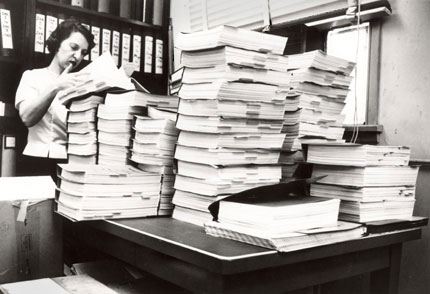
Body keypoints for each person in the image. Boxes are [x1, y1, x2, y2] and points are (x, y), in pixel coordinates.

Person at [15, 19, 95, 179]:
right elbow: (27, 117)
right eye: (74, 47)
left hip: (71, 163)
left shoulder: (80, 84)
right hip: (34, 160)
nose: (78, 56)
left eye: (83, 52)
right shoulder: (32, 76)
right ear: (58, 44)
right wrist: (56, 86)